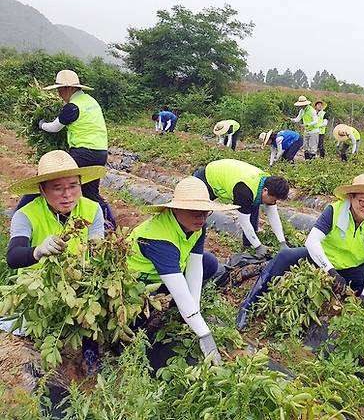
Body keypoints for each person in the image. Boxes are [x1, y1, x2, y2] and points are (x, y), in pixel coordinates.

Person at [236, 174, 364, 329]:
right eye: (362, 201)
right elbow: (312, 241)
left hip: (351, 268)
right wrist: (330, 270)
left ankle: (347, 300)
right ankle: (248, 305)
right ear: (350, 198)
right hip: (322, 261)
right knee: (285, 256)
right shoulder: (335, 211)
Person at [6, 149, 107, 373]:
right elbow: (13, 256)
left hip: (80, 285)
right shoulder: (26, 214)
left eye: (73, 186)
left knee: (93, 307)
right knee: (30, 333)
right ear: (42, 190)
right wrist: (39, 250)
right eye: (58, 188)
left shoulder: (93, 209)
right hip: (39, 290)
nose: (67, 195)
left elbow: (97, 250)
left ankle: (90, 353)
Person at [127, 177, 237, 365]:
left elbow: (195, 267)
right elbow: (178, 289)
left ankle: (179, 315)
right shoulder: (158, 238)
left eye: (204, 212)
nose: (201, 218)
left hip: (165, 275)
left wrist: (193, 313)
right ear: (176, 208)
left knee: (209, 263)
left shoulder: (197, 226)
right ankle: (127, 345)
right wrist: (205, 334)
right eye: (194, 212)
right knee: (134, 321)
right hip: (137, 285)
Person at [37, 69, 115, 229]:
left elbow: (54, 128)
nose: (59, 94)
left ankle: (34, 213)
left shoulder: (72, 108)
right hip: (100, 153)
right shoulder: (90, 101)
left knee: (48, 180)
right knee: (90, 192)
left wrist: (41, 124)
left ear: (70, 88)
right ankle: (109, 223)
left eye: (60, 89)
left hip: (83, 153)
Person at [192, 159, 290, 257]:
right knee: (196, 214)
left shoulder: (267, 184)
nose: (274, 203)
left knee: (253, 206)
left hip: (230, 174)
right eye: (273, 199)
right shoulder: (245, 191)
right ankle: (192, 247)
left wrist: (282, 242)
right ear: (265, 190)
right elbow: (244, 222)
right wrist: (258, 246)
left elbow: (273, 215)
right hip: (209, 176)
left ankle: (248, 247)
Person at [290, 95, 319, 159]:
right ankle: (307, 161)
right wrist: (291, 120)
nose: (300, 106)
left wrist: (307, 124)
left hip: (313, 131)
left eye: (301, 105)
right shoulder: (302, 111)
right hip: (306, 131)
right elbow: (297, 119)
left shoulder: (312, 110)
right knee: (305, 147)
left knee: (313, 148)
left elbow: (316, 121)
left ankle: (312, 163)